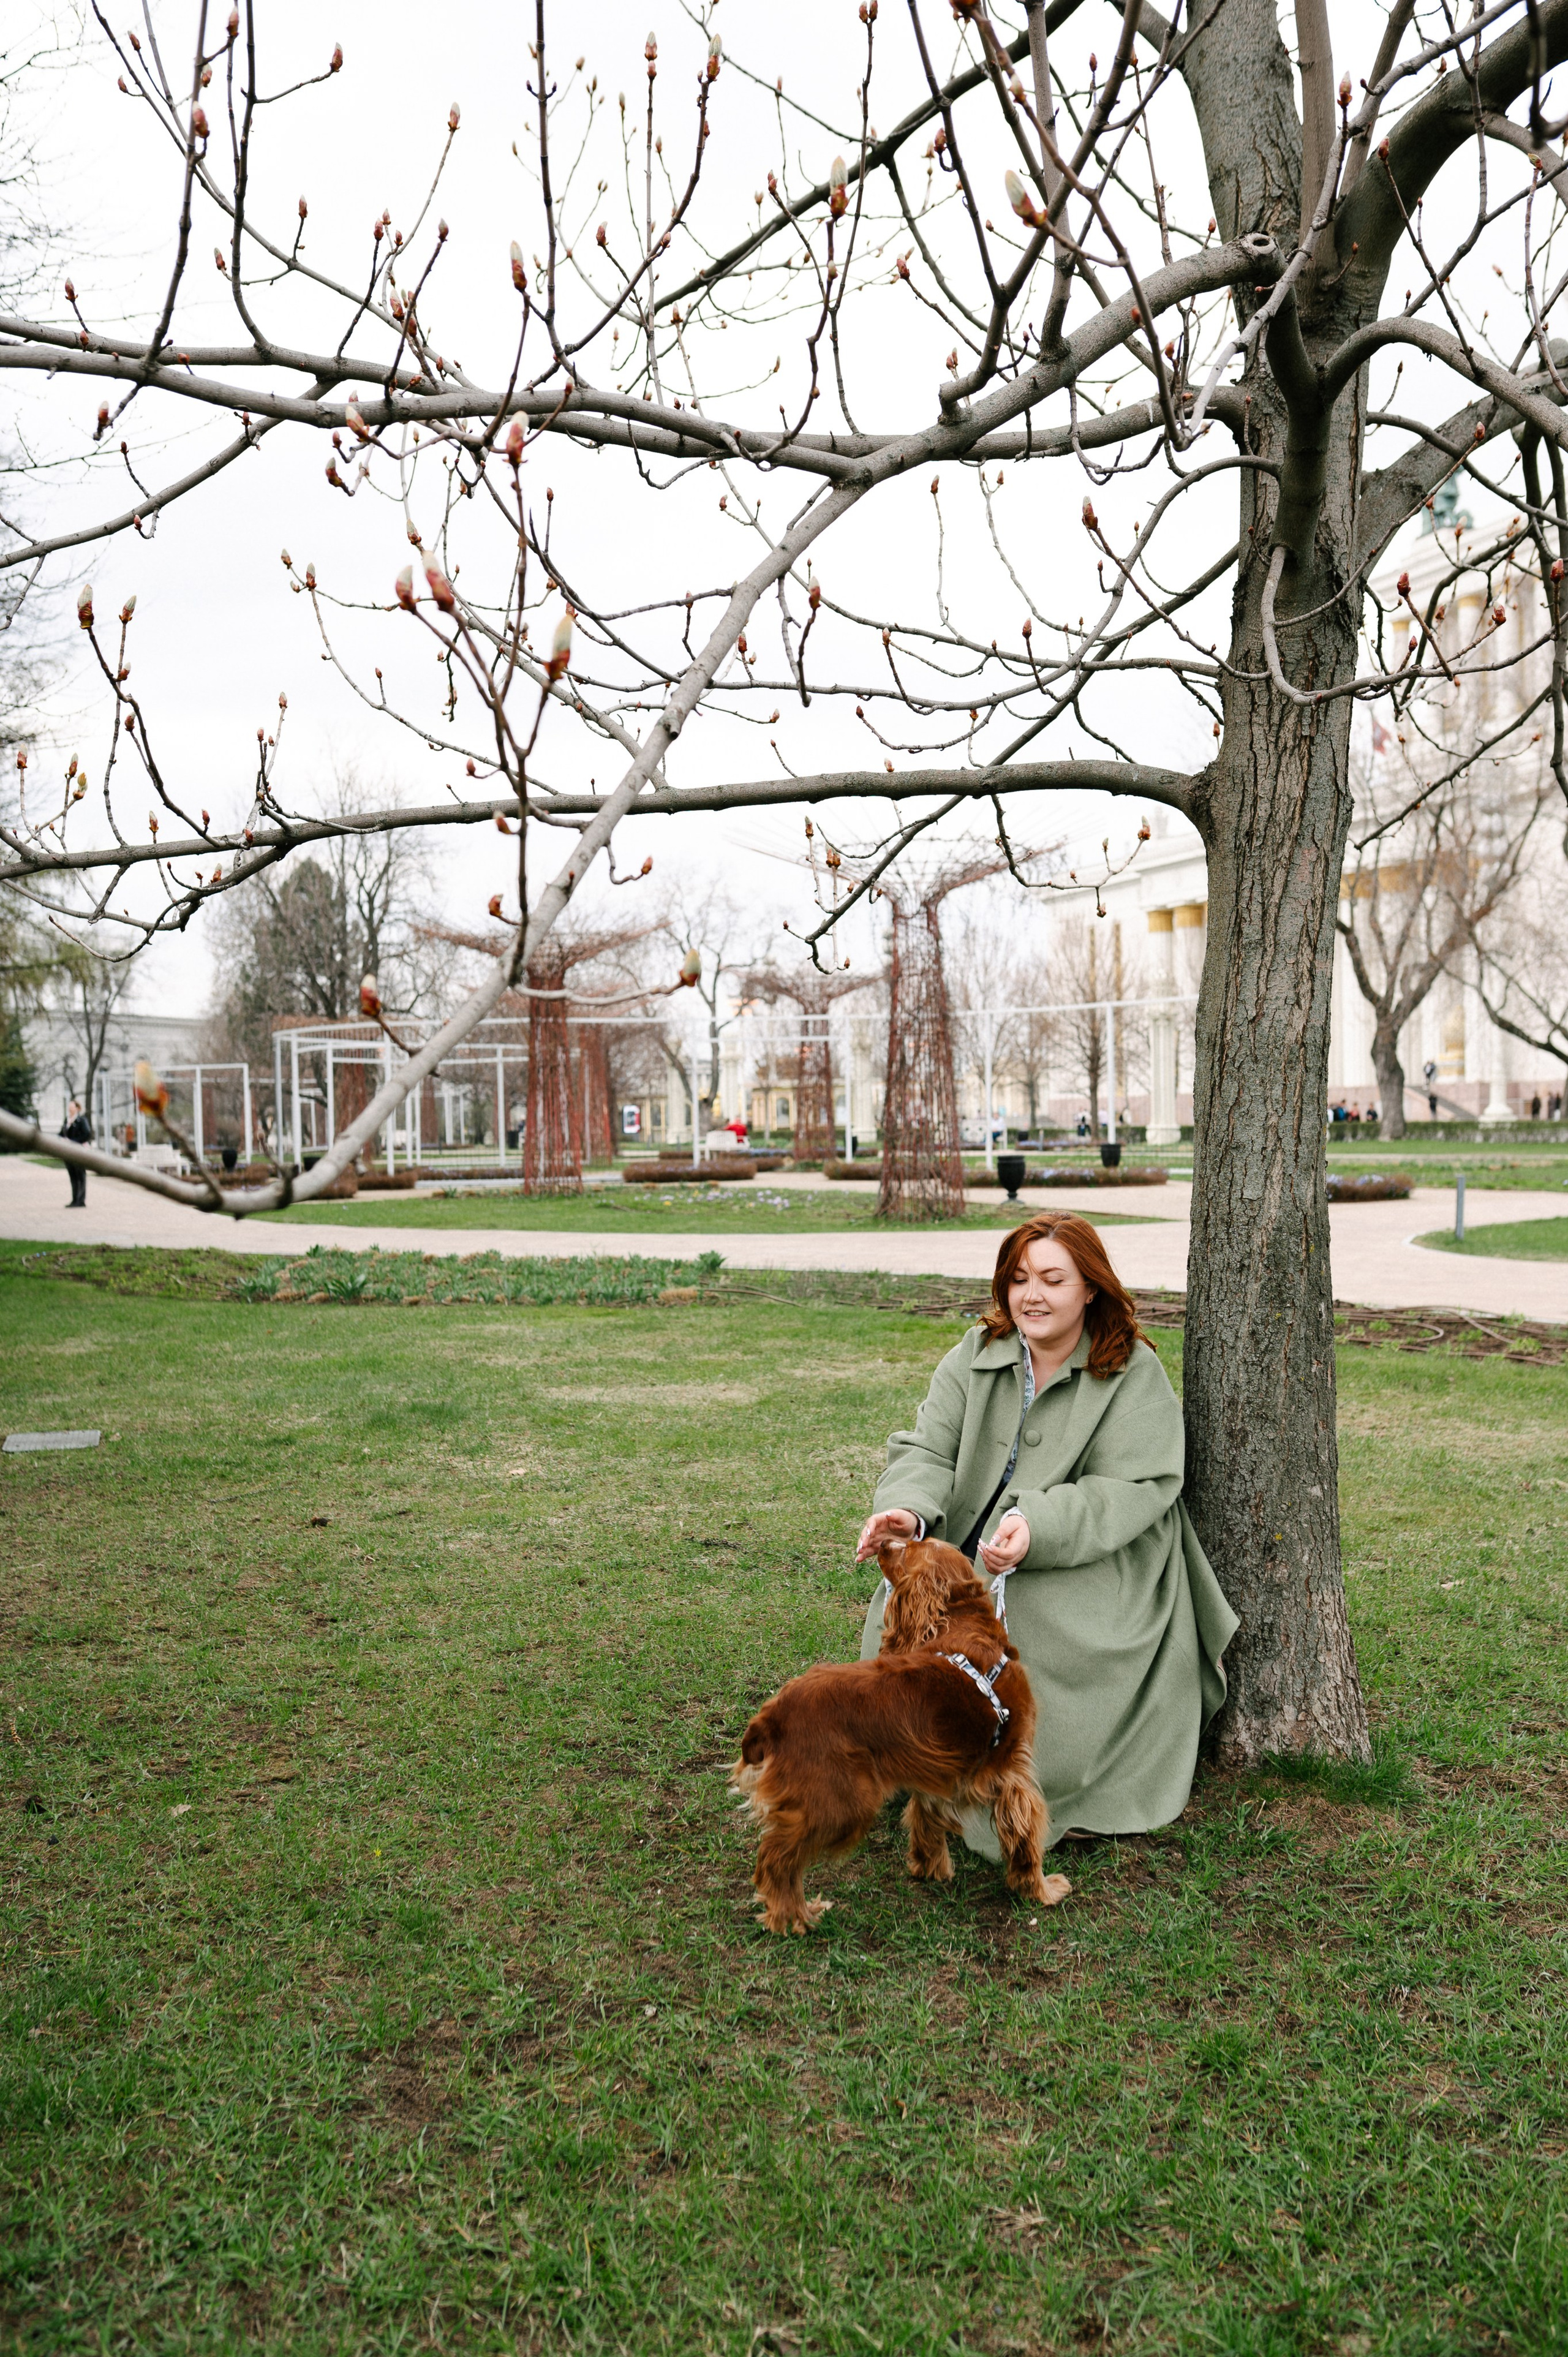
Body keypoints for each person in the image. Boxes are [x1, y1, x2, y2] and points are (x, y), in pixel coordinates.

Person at [855, 1212, 1238, 1855]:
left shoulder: (1130, 1368)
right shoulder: (977, 1352)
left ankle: (1015, 1784)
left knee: (1027, 1630)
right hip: (978, 1542)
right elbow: (928, 1448)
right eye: (1019, 1277)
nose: (1031, 1294)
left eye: (1053, 1279)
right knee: (911, 1611)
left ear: (1090, 1287)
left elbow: (1134, 1485)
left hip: (1098, 1554)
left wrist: (1038, 1526)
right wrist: (909, 1511)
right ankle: (927, 1758)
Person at [59, 1096, 92, 1207]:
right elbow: (61, 1133)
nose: (70, 1108)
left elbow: (87, 1134)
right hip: (68, 1152)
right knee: (73, 1176)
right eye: (69, 1107)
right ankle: (74, 1200)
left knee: (80, 1176)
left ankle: (81, 1200)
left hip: (78, 1152)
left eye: (72, 1106)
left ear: (77, 1108)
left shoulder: (81, 1120)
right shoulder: (67, 1120)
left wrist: (73, 1142)